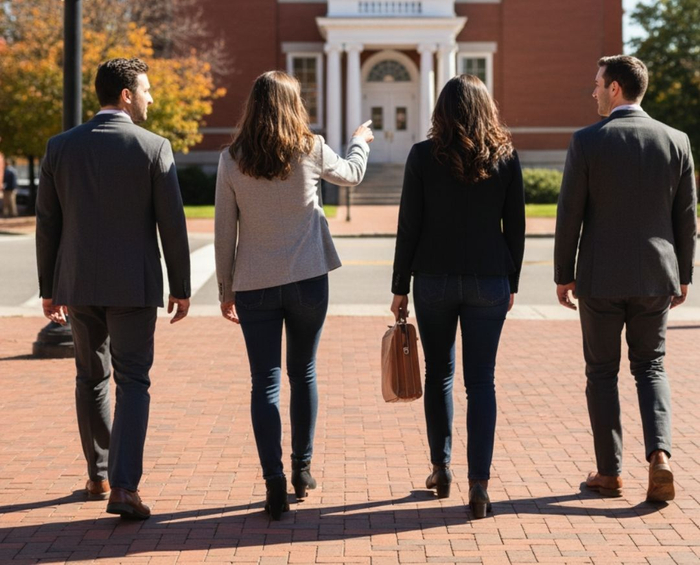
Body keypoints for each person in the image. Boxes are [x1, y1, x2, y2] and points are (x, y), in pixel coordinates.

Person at [35, 58, 191, 520]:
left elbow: (48, 224)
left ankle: (98, 474)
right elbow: (173, 226)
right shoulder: (153, 148)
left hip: (78, 282)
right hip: (134, 285)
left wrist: (50, 287)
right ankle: (124, 486)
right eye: (146, 90)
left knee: (90, 377)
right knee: (133, 382)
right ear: (125, 94)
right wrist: (181, 287)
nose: (150, 98)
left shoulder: (60, 147)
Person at [215, 70, 373, 520]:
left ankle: (273, 482)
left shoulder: (232, 159)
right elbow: (352, 174)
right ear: (292, 105)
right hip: (307, 279)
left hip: (254, 284)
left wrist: (225, 289)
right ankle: (302, 469)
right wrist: (360, 139)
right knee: (303, 372)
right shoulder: (312, 147)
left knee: (263, 382)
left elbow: (225, 231)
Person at [554, 55, 697, 502]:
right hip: (657, 275)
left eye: (597, 83)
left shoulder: (587, 141)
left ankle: (610, 472)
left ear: (615, 88)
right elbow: (686, 217)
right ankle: (660, 457)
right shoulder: (676, 141)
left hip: (599, 277)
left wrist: (563, 275)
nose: (593, 90)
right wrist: (685, 275)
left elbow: (569, 215)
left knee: (601, 372)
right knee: (650, 366)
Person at [390, 74, 525, 519]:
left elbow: (408, 226)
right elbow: (516, 228)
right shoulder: (505, 157)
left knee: (440, 375)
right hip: (490, 278)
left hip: (434, 279)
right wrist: (514, 282)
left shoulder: (423, 156)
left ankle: (440, 468)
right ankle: (479, 484)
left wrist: (399, 288)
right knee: (481, 382)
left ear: (441, 111)